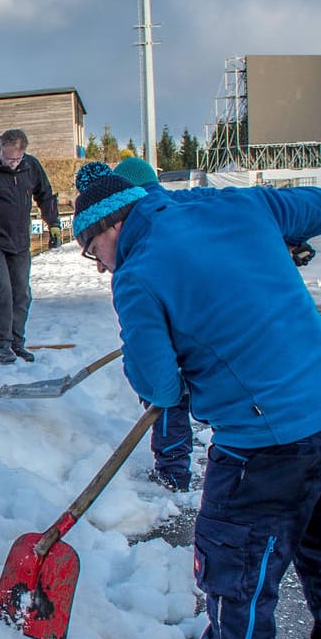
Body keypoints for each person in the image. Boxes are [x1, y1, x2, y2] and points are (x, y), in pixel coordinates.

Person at [70, 168, 321, 639]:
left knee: (237, 572)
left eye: (94, 252)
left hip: (263, 445)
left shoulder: (137, 277)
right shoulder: (239, 205)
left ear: (112, 225)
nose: (102, 266)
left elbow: (158, 387)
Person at [109, 156, 195, 491]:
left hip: (171, 332)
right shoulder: (176, 209)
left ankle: (173, 471)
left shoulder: (141, 228)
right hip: (190, 329)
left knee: (164, 395)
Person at [0, 128, 60, 365]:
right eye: (9, 158)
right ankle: (1, 344)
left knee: (22, 293)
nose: (13, 163)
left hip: (20, 240)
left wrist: (54, 224)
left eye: (18, 159)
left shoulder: (30, 166)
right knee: (2, 290)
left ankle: (17, 342)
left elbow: (45, 195)